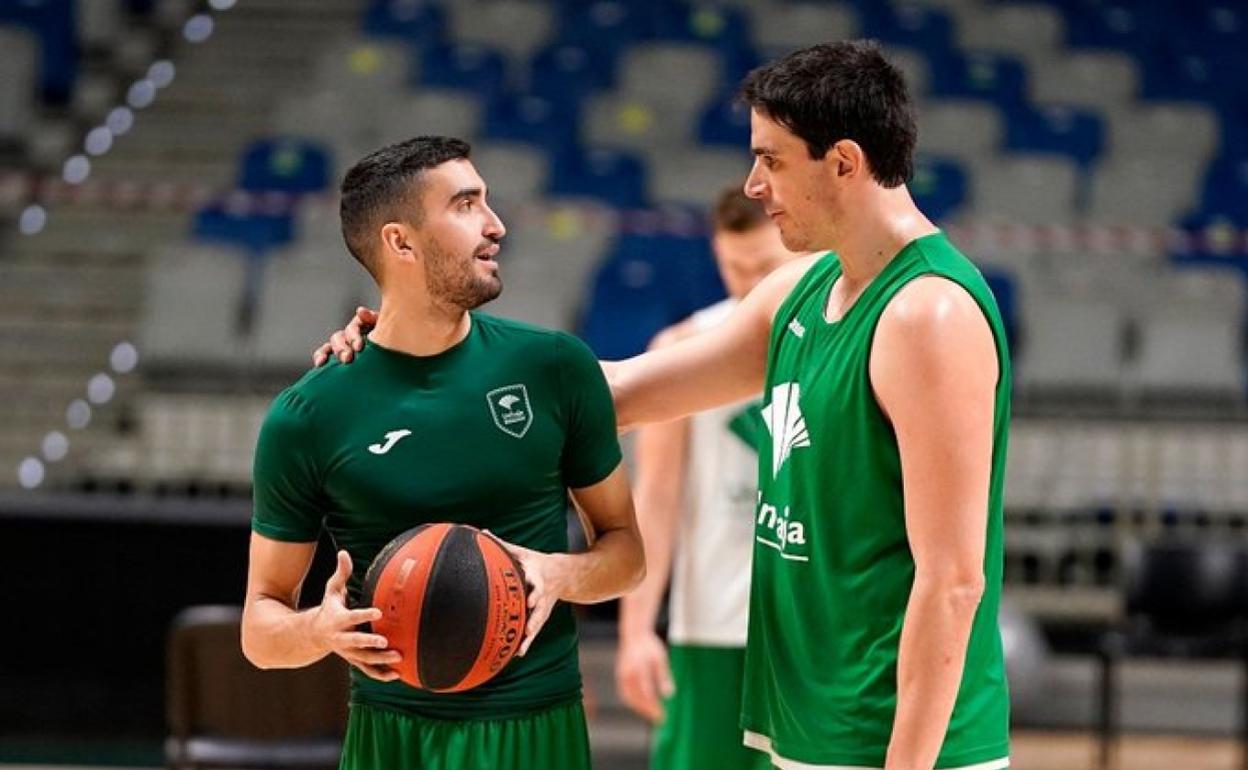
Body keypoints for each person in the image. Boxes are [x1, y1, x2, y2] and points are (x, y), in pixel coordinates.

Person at [319, 41, 1011, 770]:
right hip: (814, 723)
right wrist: (411, 347)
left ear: (842, 162)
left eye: (771, 160)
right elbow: (612, 395)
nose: (751, 185)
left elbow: (955, 579)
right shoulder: (802, 290)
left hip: (897, 744)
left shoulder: (927, 315)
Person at [244, 136, 645, 770]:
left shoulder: (556, 366)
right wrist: (318, 630)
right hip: (393, 735)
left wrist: (558, 573)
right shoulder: (308, 417)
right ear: (399, 242)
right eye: (466, 205)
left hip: (537, 727)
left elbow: (627, 553)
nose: (496, 225)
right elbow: (260, 632)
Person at [614, 187, 794, 770]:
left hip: (814, 625)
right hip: (713, 623)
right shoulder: (683, 348)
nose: (746, 284)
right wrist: (636, 630)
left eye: (763, 268)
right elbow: (656, 498)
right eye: (732, 267)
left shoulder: (844, 340)